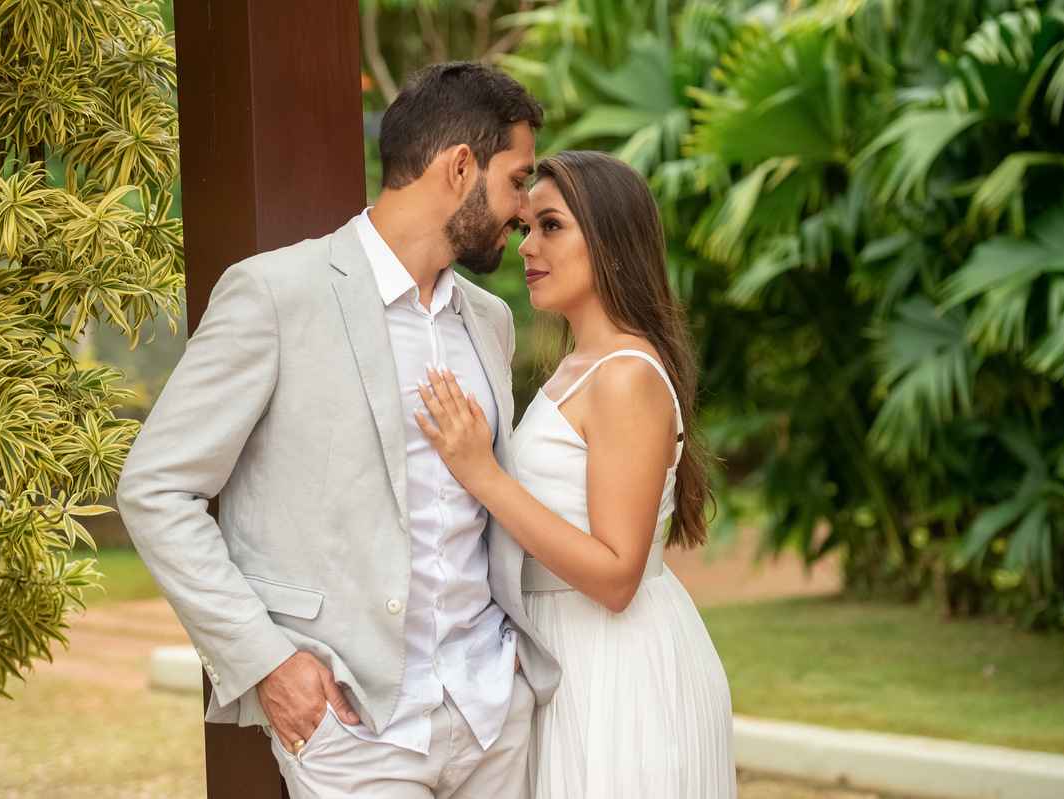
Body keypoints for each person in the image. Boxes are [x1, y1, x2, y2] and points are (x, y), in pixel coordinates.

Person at [116, 61, 561, 798]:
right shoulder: (274, 295)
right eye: (516, 180)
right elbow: (156, 489)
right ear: (459, 168)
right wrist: (265, 660)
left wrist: (509, 663)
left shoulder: (490, 321)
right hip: (356, 727)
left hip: (492, 711)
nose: (522, 208)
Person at [414, 150, 737, 798]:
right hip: (564, 655)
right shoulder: (580, 365)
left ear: (611, 240)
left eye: (552, 226)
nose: (527, 245)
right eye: (529, 226)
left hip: (615, 666)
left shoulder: (624, 376)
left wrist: (485, 475)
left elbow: (618, 574)